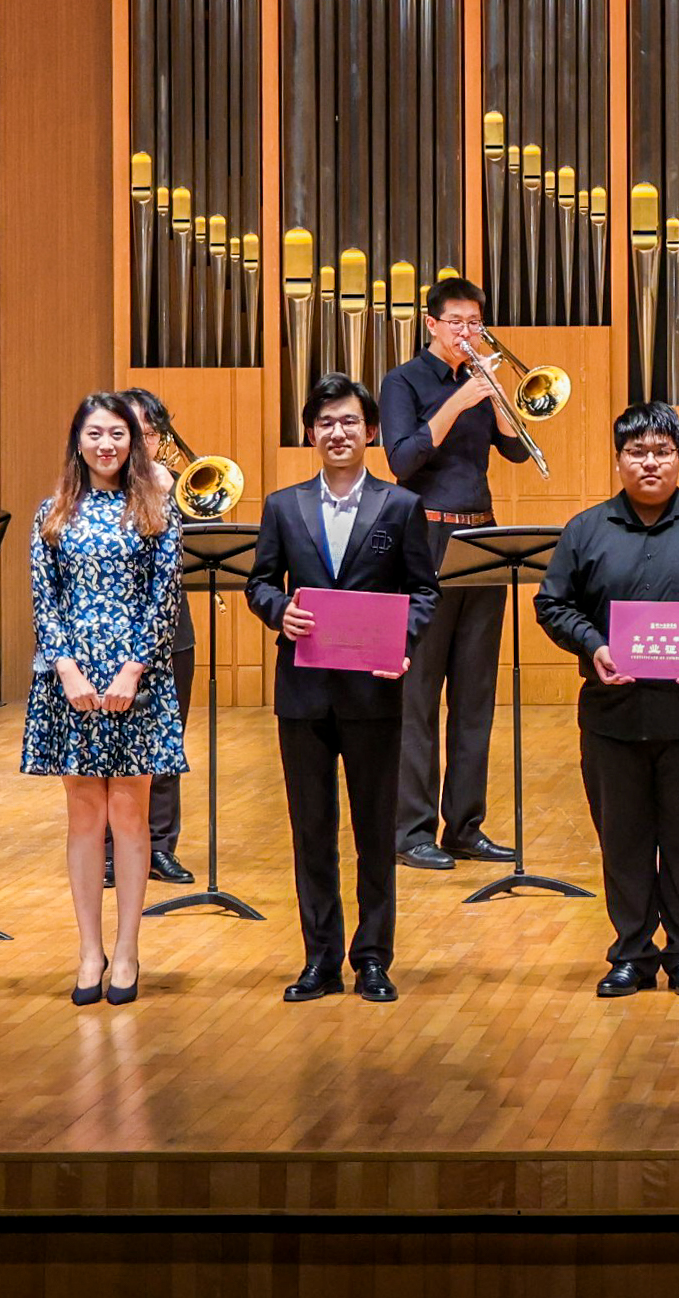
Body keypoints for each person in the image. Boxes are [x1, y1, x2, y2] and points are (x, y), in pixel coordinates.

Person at [536, 403, 679, 1000]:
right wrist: (594, 645)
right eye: (637, 452)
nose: (650, 463)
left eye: (662, 451)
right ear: (618, 459)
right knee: (623, 842)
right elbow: (553, 603)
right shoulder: (586, 529)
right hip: (612, 717)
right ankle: (632, 953)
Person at [246, 374, 438, 1005]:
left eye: (349, 421)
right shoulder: (283, 505)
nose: (337, 432)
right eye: (325, 422)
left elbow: (423, 591)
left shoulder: (401, 505)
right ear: (310, 433)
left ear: (371, 431)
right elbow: (259, 583)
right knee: (312, 831)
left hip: (373, 692)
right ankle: (320, 959)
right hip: (303, 693)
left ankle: (373, 959)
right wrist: (279, 611)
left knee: (375, 831)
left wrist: (402, 643)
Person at [22, 392, 187, 1007]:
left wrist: (133, 670)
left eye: (117, 433)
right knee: (85, 817)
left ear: (133, 441)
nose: (106, 444)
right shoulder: (52, 512)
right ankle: (89, 950)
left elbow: (163, 600)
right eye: (94, 433)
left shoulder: (155, 509)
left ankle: (127, 950)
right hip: (72, 682)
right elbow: (45, 599)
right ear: (78, 441)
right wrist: (65, 668)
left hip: (135, 679)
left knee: (130, 816)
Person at [377, 275, 531, 874]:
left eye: (475, 323)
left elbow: (516, 451)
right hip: (425, 536)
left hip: (481, 537)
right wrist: (459, 401)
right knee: (418, 691)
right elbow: (402, 459)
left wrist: (496, 397)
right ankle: (411, 830)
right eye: (457, 322)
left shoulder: (479, 380)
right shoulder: (404, 382)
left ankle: (465, 825)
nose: (468, 332)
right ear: (432, 324)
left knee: (475, 692)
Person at [119, 389, 200, 888]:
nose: (139, 443)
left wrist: (168, 498)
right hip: (108, 635)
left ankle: (159, 847)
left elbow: (203, 542)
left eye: (148, 434)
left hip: (172, 632)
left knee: (165, 742)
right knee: (109, 746)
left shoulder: (174, 486)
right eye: (130, 432)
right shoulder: (91, 492)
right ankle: (111, 849)